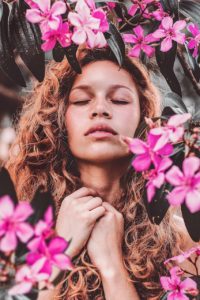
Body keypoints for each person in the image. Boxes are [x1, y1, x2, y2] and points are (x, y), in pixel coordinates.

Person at [6, 46, 196, 300]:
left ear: (143, 118)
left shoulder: (184, 247)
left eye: (119, 100)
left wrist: (112, 267)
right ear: (59, 119)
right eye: (82, 100)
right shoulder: (14, 231)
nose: (100, 109)